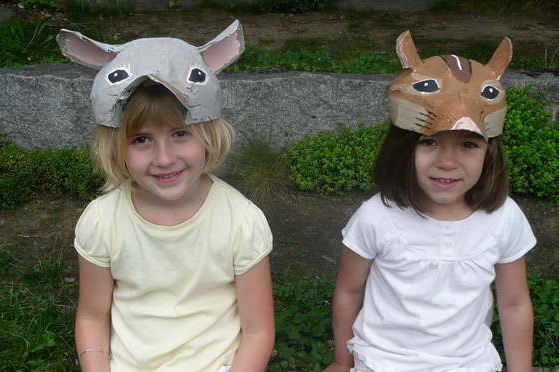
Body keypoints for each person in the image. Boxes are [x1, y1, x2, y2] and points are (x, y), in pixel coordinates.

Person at [58, 22, 275, 372]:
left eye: (179, 134)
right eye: (141, 139)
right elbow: (92, 317)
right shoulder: (102, 221)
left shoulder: (241, 221)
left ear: (208, 135)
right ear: (117, 148)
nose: (163, 158)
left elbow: (259, 331)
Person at [324, 31, 535, 372]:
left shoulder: (504, 218)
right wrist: (340, 360)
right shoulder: (377, 216)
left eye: (468, 145)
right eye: (430, 143)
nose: (447, 162)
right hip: (383, 362)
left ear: (489, 152)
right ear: (403, 146)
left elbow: (513, 303)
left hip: (470, 364)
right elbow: (349, 291)